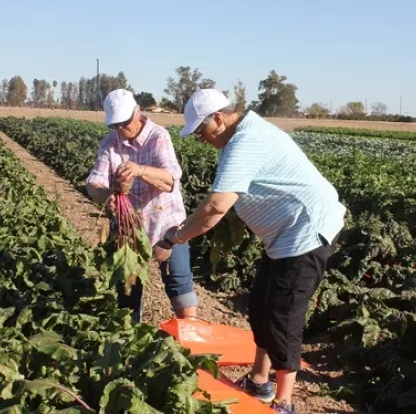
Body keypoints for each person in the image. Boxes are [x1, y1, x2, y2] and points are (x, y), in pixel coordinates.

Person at [161, 88, 346, 414]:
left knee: (282, 315)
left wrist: (176, 237)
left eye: (200, 131)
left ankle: (284, 402)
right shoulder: (238, 138)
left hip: (305, 233)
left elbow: (216, 206)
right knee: (260, 306)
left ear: (218, 119)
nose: (200, 139)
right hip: (282, 236)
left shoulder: (245, 141)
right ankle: (259, 381)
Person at [86, 88, 197, 322]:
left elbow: (170, 180)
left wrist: (139, 170)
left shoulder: (158, 136)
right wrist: (109, 195)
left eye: (124, 122)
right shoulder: (111, 142)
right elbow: (93, 184)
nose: (119, 129)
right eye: (114, 125)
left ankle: (192, 336)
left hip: (166, 226)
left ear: (137, 112)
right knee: (127, 288)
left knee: (179, 283)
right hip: (129, 230)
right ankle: (129, 340)